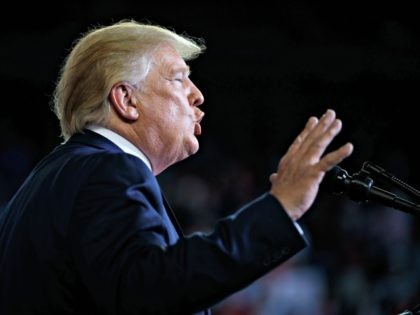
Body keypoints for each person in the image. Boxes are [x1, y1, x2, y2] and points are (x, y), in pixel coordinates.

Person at [0, 20, 353, 315]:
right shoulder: (107, 169)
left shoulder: (55, 176)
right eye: (179, 77)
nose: (197, 94)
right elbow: (149, 291)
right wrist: (280, 207)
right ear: (126, 100)